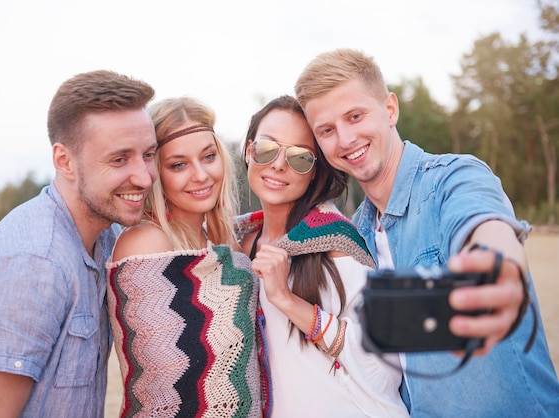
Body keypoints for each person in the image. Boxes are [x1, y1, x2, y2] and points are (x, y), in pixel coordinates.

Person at [293, 48, 559, 416]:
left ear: (390, 109)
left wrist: (493, 267)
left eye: (355, 116)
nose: (345, 139)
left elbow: (485, 228)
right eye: (327, 130)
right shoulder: (355, 238)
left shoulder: (455, 178)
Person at [0, 70, 157, 417]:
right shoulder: (37, 262)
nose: (144, 177)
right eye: (119, 159)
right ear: (64, 162)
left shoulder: (108, 237)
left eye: (149, 154)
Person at [237, 95, 410, 416]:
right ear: (248, 151)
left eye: (300, 158)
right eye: (266, 148)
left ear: (316, 172)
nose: (278, 164)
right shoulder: (238, 244)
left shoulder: (337, 244)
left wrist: (288, 300)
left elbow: (384, 363)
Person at [106, 96, 265, 417]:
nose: (201, 175)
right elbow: (164, 388)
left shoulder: (225, 242)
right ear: (156, 174)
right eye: (178, 164)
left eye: (208, 157)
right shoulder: (145, 245)